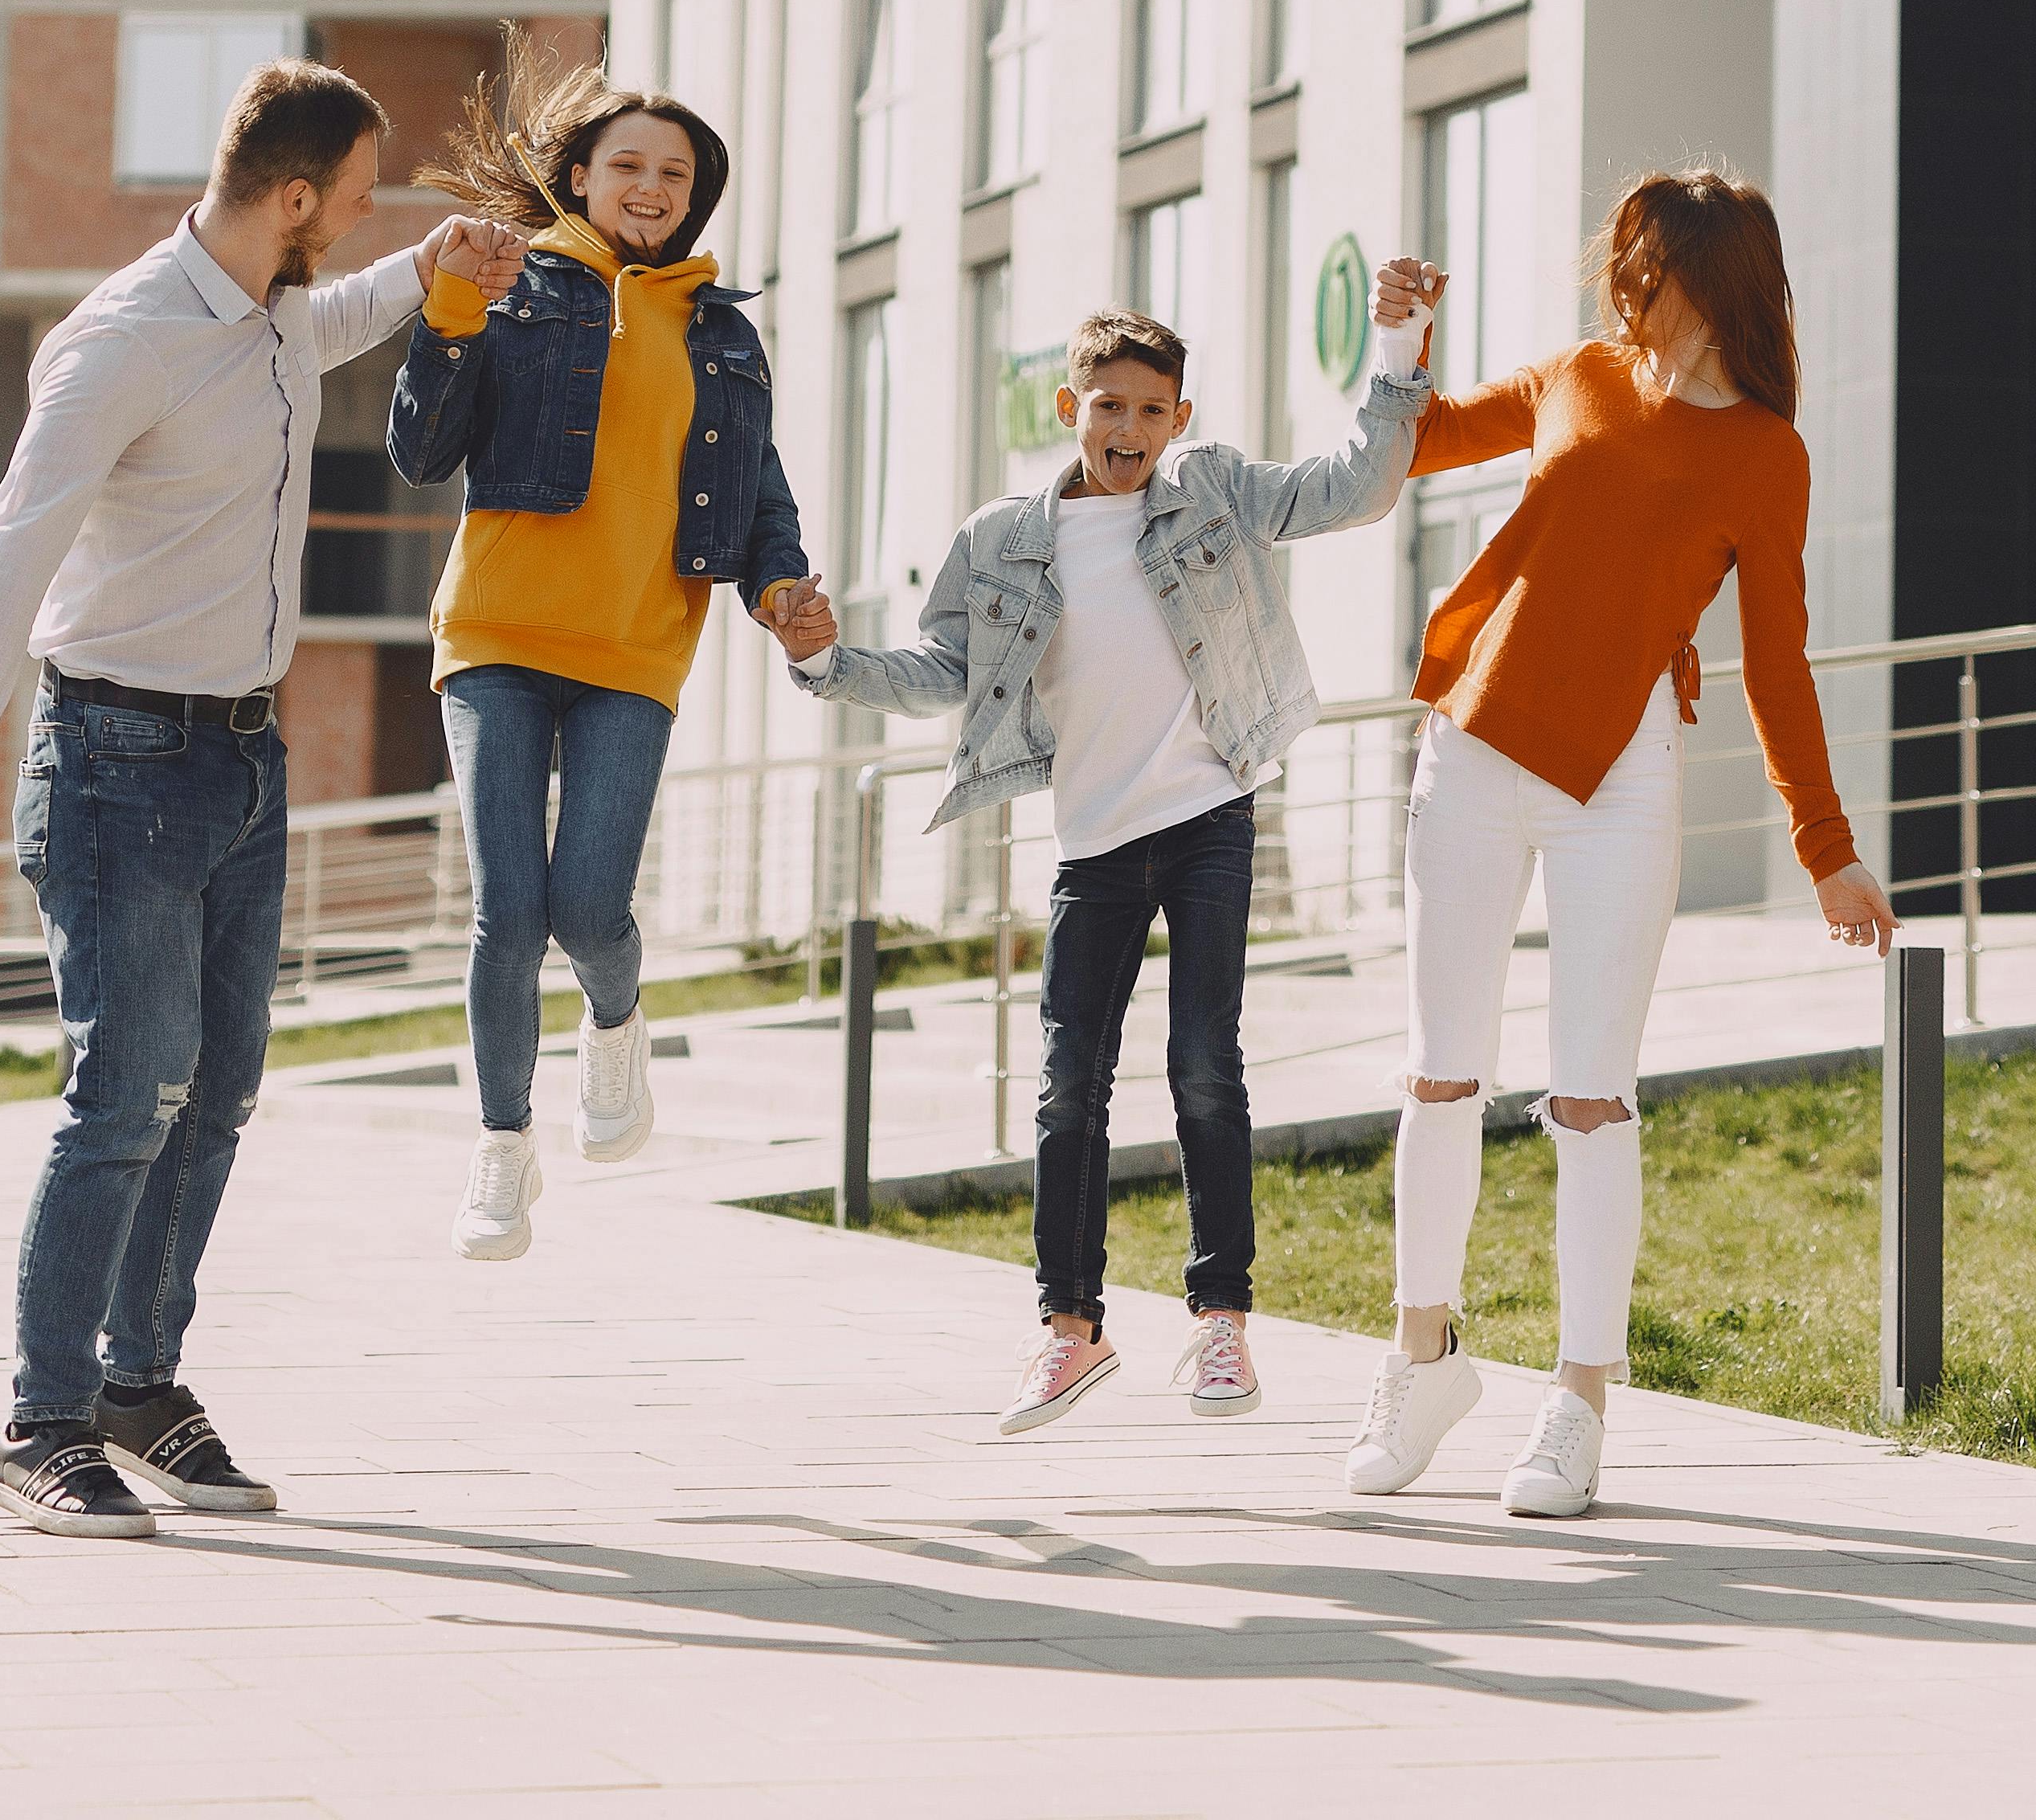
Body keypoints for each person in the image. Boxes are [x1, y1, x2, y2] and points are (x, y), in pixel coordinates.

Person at [0, 60, 525, 1540]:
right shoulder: (122, 342)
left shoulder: (263, 318)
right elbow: (7, 550)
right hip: (114, 759)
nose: (372, 216)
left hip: (244, 763)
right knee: (124, 1097)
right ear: (297, 199)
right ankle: (39, 1420)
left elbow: (339, 318)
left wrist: (425, 266)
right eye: (364, 197)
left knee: (217, 1096)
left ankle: (140, 1385)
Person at [767, 271, 1437, 1433]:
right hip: (1093, 840)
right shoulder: (1004, 541)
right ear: (1068, 406)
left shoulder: (1216, 494)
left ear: (1181, 418)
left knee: (1202, 1067)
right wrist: (827, 662)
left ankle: (1221, 1324)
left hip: (1212, 817)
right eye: (1106, 405)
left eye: (1149, 410)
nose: (1127, 430)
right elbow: (946, 675)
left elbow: (1360, 490)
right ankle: (1068, 1332)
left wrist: (1397, 340)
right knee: (1067, 1085)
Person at [1343, 166, 1900, 1519]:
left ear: (1715, 277)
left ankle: (1578, 1403)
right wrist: (1399, 345)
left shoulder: (1769, 454)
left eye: (1650, 261)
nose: (1625, 281)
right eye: (1626, 258)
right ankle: (1423, 1362)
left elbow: (1778, 666)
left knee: (1592, 1098)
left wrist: (1826, 846)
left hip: (1623, 779)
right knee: (1439, 1077)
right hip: (1472, 751)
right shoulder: (1580, 375)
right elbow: (1416, 444)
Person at [390, 43, 815, 1261]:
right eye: (626, 162)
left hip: (636, 645)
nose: (651, 185)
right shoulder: (516, 289)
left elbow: (758, 494)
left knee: (589, 907)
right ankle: (502, 1148)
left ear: (694, 197)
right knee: (506, 911)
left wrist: (780, 587)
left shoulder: (724, 335)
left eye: (674, 174)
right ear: (578, 176)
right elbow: (422, 452)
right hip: (496, 637)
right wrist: (456, 313)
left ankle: (615, 1019)